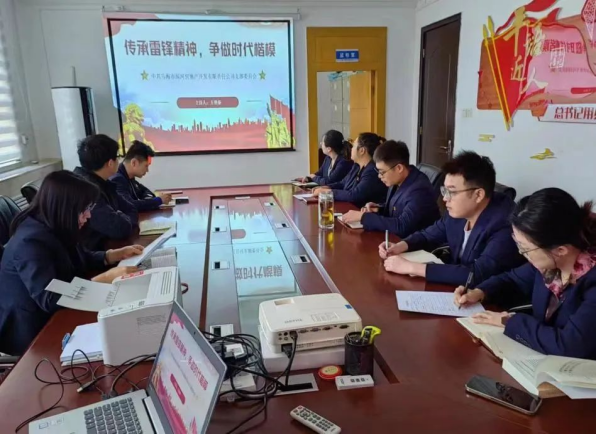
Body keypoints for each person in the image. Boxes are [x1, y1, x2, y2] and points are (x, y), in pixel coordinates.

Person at [0, 171, 143, 356]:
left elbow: (79, 257)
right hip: (33, 331)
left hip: (57, 313)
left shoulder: (55, 223)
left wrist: (111, 255)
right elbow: (49, 298)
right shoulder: (30, 242)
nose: (88, 215)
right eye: (84, 209)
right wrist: (103, 279)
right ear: (65, 207)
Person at [456, 189, 596, 360]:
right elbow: (512, 280)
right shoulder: (549, 262)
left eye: (525, 248)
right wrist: (480, 292)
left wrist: (509, 321)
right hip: (539, 356)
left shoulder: (591, 280)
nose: (521, 253)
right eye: (518, 243)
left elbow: (568, 346)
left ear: (560, 250)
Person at [380, 151, 524, 286]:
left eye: (452, 192)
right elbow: (428, 235)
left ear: (478, 195)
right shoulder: (458, 212)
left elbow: (477, 274)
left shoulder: (505, 224)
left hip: (488, 298)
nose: (445, 198)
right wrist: (401, 245)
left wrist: (412, 268)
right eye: (445, 190)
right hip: (457, 289)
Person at [342, 140, 440, 238]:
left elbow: (402, 226)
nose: (379, 176)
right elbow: (398, 208)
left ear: (399, 168)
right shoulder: (399, 179)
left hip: (415, 244)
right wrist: (378, 208)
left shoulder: (419, 190)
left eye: (382, 172)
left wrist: (363, 217)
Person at [74, 134, 139, 249]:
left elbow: (131, 208)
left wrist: (120, 216)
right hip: (91, 254)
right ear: (110, 163)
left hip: (106, 248)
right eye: (117, 157)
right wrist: (121, 217)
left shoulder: (103, 183)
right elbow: (119, 228)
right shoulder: (85, 189)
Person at [312, 133, 388, 208]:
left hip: (360, 211)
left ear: (362, 151)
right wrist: (326, 187)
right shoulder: (356, 166)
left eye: (354, 146)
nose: (351, 149)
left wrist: (329, 192)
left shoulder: (372, 171)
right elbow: (343, 183)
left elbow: (354, 195)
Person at [111, 140, 173, 212]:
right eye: (146, 166)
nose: (147, 170)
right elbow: (130, 205)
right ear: (134, 163)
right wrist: (159, 200)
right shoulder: (117, 180)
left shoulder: (129, 177)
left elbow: (146, 191)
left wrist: (148, 200)